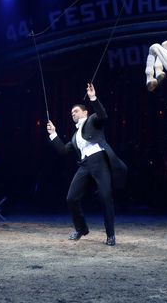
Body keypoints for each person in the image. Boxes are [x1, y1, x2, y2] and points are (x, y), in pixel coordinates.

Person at [46, 83, 127, 246]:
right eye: (71, 113)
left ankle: (110, 235)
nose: (73, 114)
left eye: (75, 111)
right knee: (71, 198)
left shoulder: (92, 120)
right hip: (84, 165)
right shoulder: (75, 136)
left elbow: (103, 115)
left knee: (105, 197)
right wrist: (53, 133)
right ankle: (81, 229)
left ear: (85, 112)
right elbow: (62, 150)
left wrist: (93, 97)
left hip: (99, 161)